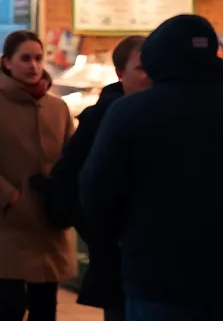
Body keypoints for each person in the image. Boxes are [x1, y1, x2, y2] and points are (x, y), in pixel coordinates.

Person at [81, 14, 223, 321]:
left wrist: (122, 241)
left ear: (156, 59)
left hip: (155, 277)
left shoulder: (128, 112)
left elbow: (96, 194)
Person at [0, 30, 74, 321]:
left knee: (45, 306)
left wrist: (64, 196)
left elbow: (72, 160)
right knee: (10, 305)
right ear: (7, 62)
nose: (33, 65)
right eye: (25, 59)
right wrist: (10, 196)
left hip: (49, 224)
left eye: (38, 58)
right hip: (7, 224)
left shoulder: (58, 108)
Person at [36, 35, 149, 321]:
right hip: (118, 253)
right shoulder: (102, 117)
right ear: (121, 73)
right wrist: (101, 233)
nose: (149, 75)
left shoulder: (162, 113)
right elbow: (71, 179)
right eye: (141, 68)